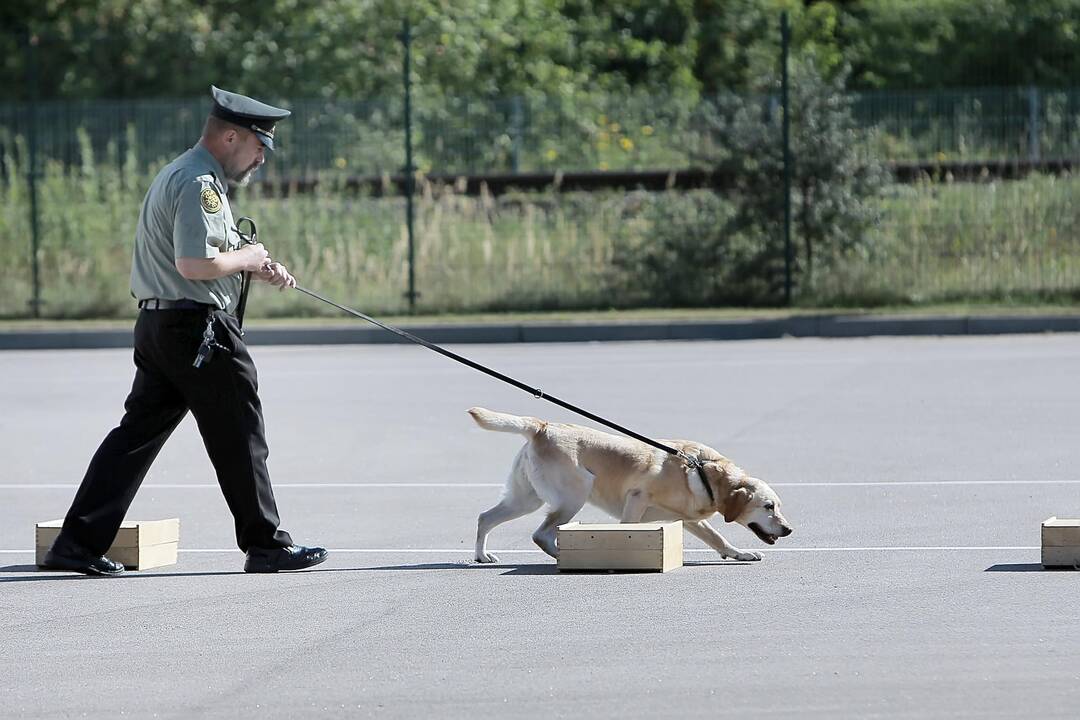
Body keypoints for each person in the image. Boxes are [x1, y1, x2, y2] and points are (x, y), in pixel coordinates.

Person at [42, 86, 327, 576]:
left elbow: (210, 254)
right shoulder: (201, 184)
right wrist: (251, 258)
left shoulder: (180, 172)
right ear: (232, 136)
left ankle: (76, 543)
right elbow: (194, 263)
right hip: (197, 329)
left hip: (160, 325)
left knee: (134, 438)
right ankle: (266, 545)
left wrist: (253, 266)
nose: (262, 158)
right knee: (241, 432)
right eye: (260, 146)